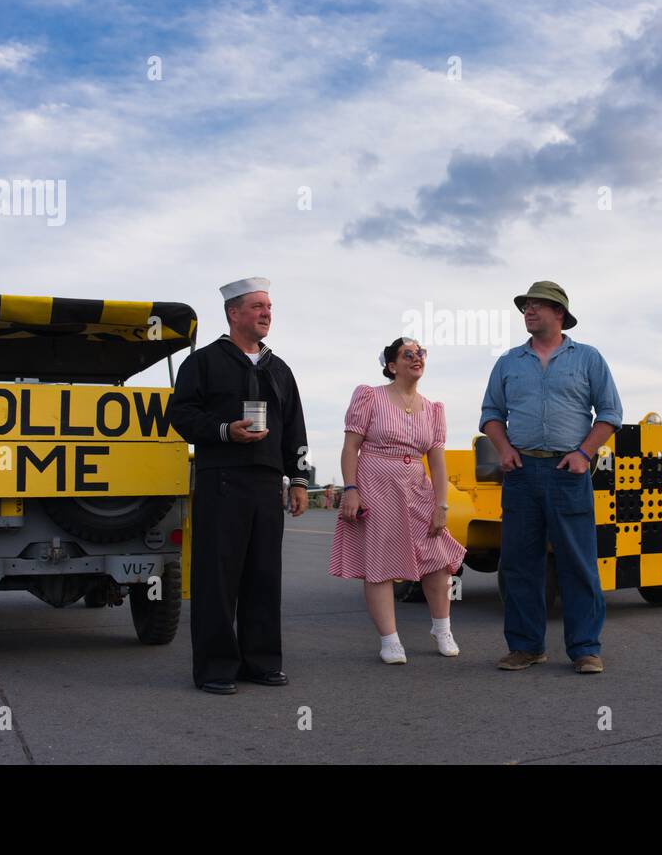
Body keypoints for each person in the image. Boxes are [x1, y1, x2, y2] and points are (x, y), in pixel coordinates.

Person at [166, 277, 309, 695]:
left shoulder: (279, 369)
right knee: (217, 578)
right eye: (258, 306)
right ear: (233, 313)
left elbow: (295, 428)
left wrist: (298, 480)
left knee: (264, 576)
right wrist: (225, 430)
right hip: (221, 483)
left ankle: (261, 661)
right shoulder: (204, 363)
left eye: (269, 306)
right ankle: (215, 667)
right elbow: (181, 415)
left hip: (266, 486)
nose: (267, 313)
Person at [479, 281, 622, 674]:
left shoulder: (589, 359)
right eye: (526, 305)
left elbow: (610, 414)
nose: (528, 311)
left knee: (578, 562)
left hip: (568, 473)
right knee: (519, 563)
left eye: (538, 306)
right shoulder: (508, 362)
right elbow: (491, 413)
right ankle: (526, 647)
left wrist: (583, 453)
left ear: (559, 313)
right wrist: (504, 449)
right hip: (521, 473)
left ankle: (585, 648)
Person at [330, 338, 465, 664]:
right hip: (376, 485)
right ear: (392, 365)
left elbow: (437, 461)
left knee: (438, 559)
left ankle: (441, 628)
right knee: (379, 564)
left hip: (417, 488)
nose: (417, 358)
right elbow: (351, 448)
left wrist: (441, 505)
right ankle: (390, 640)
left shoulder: (432, 409)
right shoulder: (370, 397)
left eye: (421, 353)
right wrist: (351, 489)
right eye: (409, 354)